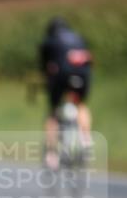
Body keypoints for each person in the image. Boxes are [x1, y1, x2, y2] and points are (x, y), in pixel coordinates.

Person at [40, 17, 93, 170]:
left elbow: (45, 68)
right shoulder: (79, 38)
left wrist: (48, 83)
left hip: (62, 76)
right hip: (84, 75)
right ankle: (86, 139)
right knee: (80, 105)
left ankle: (51, 155)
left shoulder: (49, 41)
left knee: (53, 113)